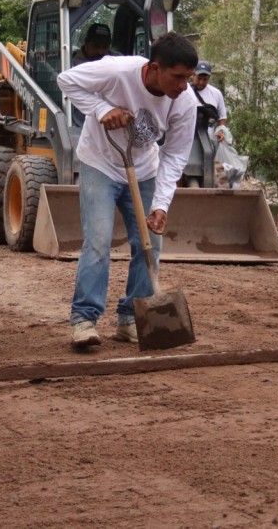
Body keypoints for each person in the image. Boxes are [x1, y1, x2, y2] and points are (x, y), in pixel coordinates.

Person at [58, 31, 199, 348]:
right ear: (154, 68)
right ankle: (84, 319)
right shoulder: (117, 71)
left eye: (188, 78)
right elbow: (66, 80)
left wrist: (161, 205)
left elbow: (176, 155)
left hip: (145, 168)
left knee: (150, 243)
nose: (183, 86)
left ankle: (131, 319)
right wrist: (100, 109)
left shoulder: (185, 101)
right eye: (177, 77)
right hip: (100, 163)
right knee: (98, 239)